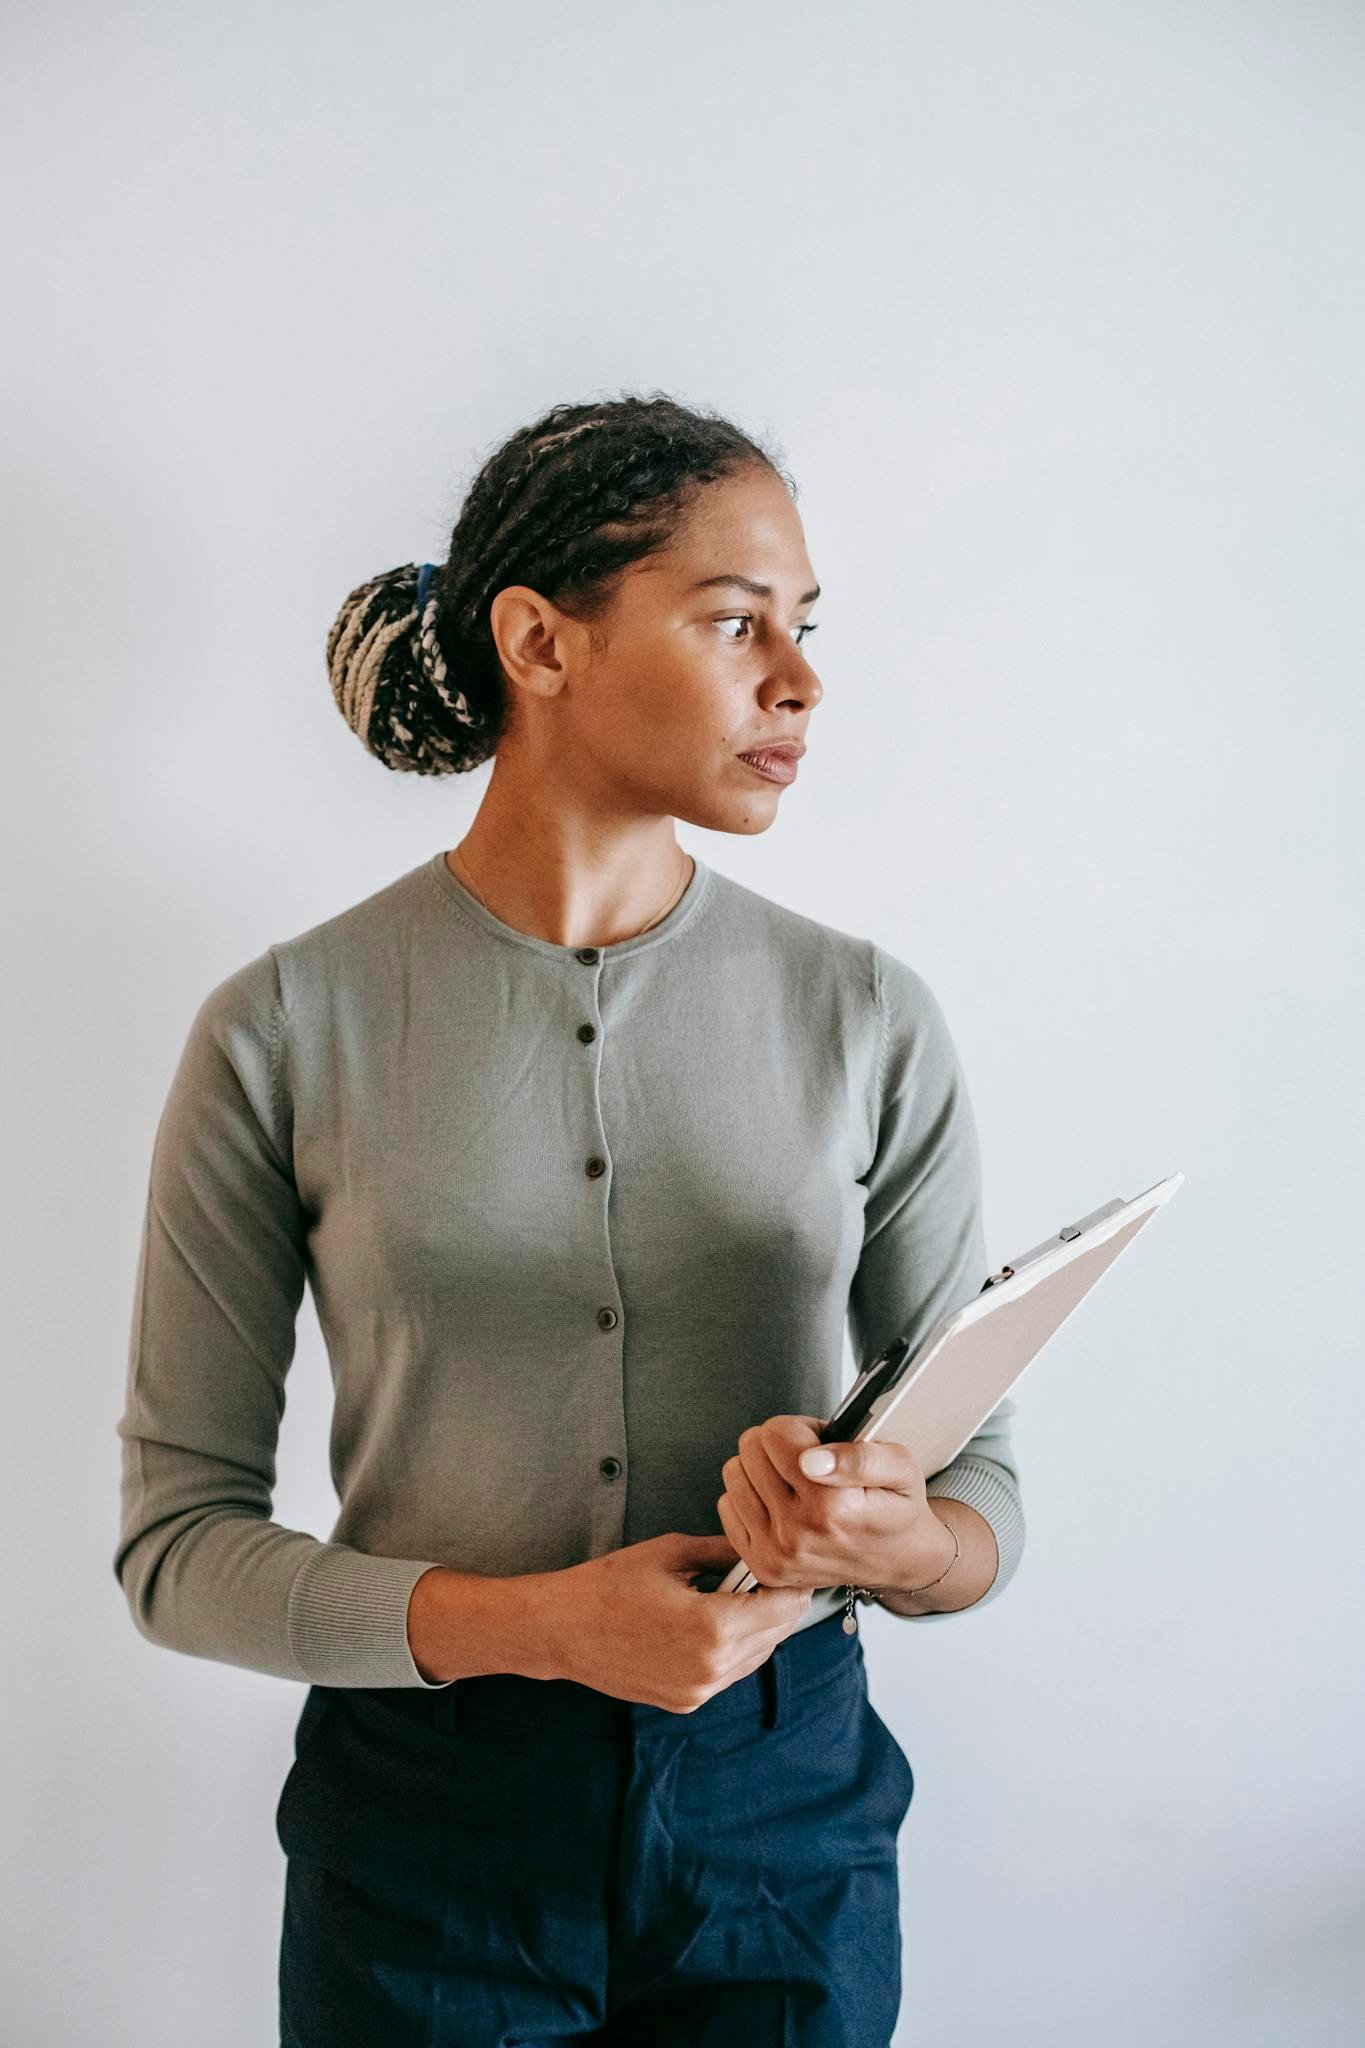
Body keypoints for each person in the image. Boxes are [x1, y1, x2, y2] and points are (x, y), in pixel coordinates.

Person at [113, 390, 1026, 2047]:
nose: (801, 680)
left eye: (805, 627)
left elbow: (981, 1513)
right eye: (735, 620)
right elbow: (175, 1555)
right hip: (423, 1835)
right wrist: (537, 1625)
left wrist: (897, 1543)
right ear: (540, 642)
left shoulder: (870, 1017)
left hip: (783, 1828)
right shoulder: (281, 1027)